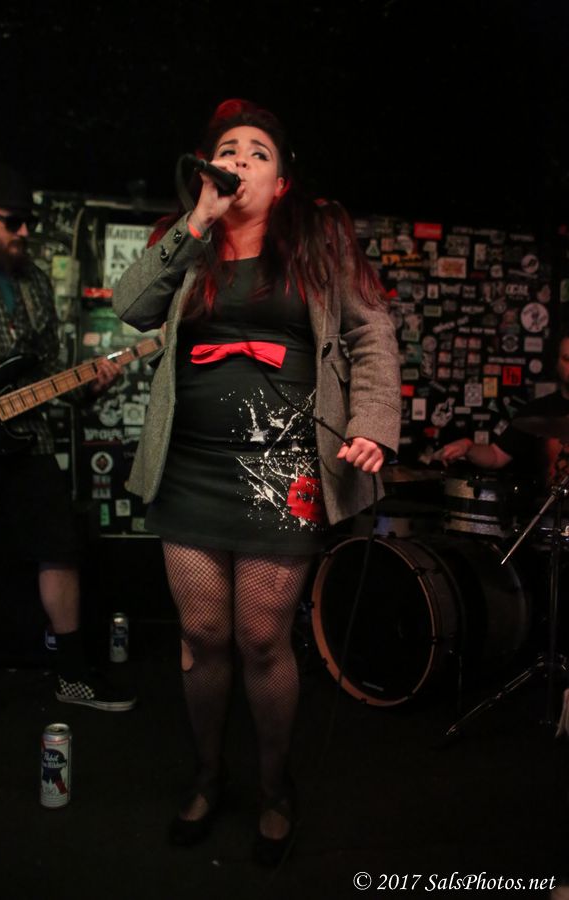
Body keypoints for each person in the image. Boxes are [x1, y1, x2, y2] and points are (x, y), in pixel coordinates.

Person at [113, 99, 401, 864]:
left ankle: (275, 786)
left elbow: (371, 331)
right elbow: (131, 306)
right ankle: (208, 774)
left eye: (258, 152)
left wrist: (373, 422)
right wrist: (196, 222)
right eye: (229, 149)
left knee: (262, 638)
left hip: (285, 472)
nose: (240, 158)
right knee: (203, 636)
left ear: (281, 183)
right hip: (190, 469)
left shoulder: (318, 244)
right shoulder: (189, 241)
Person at [0, 162, 137, 731]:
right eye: (12, 221)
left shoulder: (35, 280)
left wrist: (86, 385)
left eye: (29, 222)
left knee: (60, 547)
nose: (23, 232)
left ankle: (72, 672)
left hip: (29, 434)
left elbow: (43, 370)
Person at [437, 330, 569, 492]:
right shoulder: (537, 410)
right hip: (549, 505)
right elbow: (496, 456)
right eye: (567, 359)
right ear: (556, 363)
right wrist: (468, 446)